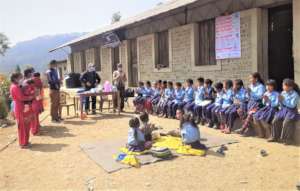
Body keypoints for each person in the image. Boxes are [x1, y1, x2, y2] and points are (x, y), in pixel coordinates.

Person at [269, 79, 300, 145]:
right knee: (275, 120)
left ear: (290, 87)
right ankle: (274, 137)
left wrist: (283, 100)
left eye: (284, 85)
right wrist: (280, 101)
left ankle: (287, 139)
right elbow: (280, 104)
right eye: (283, 85)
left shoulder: (295, 95)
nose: (283, 87)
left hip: (292, 111)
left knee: (286, 122)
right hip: (283, 110)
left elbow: (292, 105)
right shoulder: (283, 93)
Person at [10, 73, 35, 149]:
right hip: (19, 107)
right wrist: (30, 97)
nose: (22, 79)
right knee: (22, 127)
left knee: (26, 125)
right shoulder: (15, 87)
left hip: (22, 107)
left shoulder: (17, 86)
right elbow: (21, 97)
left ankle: (25, 141)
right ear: (15, 79)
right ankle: (23, 143)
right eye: (20, 78)